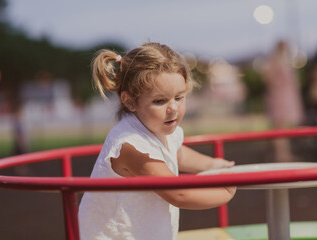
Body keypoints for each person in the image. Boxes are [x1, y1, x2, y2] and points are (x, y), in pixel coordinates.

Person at [78, 42, 236, 240]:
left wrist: (211, 164)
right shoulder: (132, 146)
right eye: (160, 101)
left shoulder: (159, 128)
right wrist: (225, 192)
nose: (173, 109)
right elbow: (178, 195)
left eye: (179, 97)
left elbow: (178, 153)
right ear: (130, 102)